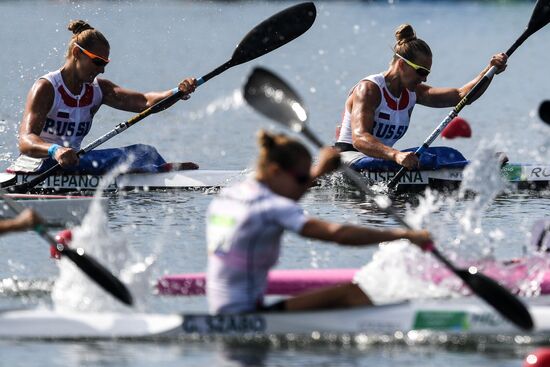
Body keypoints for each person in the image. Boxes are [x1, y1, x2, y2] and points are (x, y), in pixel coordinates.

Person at [206, 130, 432, 314]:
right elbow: (338, 234)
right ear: (275, 171)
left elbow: (288, 192)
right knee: (350, 294)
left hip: (223, 307)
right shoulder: (271, 207)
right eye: (303, 178)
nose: (306, 184)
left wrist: (319, 171)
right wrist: (405, 235)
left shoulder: (233, 195)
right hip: (245, 315)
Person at [9, 20, 197, 176]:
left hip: (75, 163)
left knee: (145, 152)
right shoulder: (46, 87)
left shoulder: (100, 90)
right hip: (39, 165)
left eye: (105, 63)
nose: (102, 69)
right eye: (98, 61)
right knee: (122, 159)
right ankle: (152, 172)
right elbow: (25, 140)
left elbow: (146, 102)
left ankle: (160, 174)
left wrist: (178, 91)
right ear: (77, 53)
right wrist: (55, 150)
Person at [335, 24, 508, 171]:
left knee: (446, 153)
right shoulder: (369, 89)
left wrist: (490, 71)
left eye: (427, 73)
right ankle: (475, 169)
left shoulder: (413, 92)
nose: (425, 78)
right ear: (402, 64)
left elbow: (461, 96)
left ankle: (470, 168)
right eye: (421, 71)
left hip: (382, 160)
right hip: (350, 160)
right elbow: (360, 139)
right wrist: (396, 155)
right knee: (427, 158)